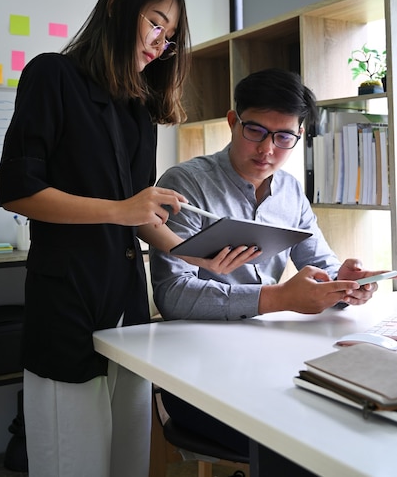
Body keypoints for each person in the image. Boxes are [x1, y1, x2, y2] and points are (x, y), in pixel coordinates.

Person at [0, 0, 256, 477]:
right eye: (156, 23)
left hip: (127, 308)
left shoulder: (139, 110)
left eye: (171, 35)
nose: (161, 44)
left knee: (128, 465)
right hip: (67, 304)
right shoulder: (52, 75)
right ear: (118, 7)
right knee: (73, 464)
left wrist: (193, 255)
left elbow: (138, 215)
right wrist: (123, 209)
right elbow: (19, 191)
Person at [150, 67, 382, 477]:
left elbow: (322, 263)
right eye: (255, 131)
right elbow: (172, 294)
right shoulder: (185, 184)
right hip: (199, 374)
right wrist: (276, 298)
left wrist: (345, 283)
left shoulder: (290, 190)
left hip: (269, 364)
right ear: (232, 121)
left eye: (284, 137)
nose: (268, 150)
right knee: (305, 436)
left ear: (298, 136)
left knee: (353, 420)